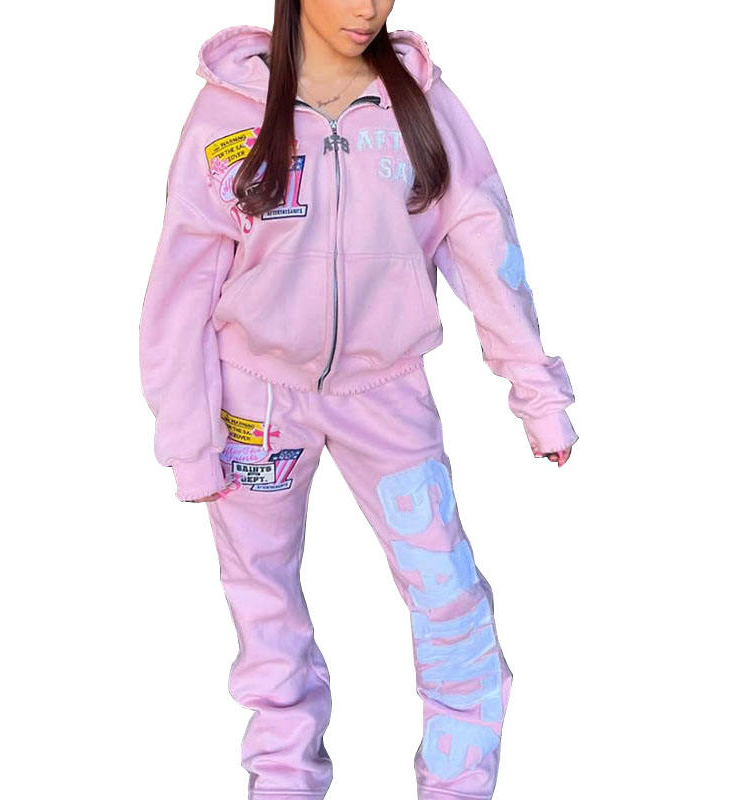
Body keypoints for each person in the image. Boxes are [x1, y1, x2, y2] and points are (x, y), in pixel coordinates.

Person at [139, 4, 578, 800]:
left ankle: (457, 783)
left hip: (387, 394)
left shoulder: (422, 103)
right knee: (265, 606)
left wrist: (537, 394)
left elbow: (486, 243)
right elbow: (183, 282)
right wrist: (189, 440)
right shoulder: (227, 110)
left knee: (448, 595)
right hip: (254, 402)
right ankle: (284, 780)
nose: (369, 7)